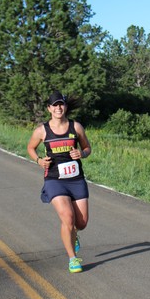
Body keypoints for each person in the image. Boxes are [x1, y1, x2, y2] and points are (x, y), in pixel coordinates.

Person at [27, 91, 91, 274]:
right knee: (67, 217)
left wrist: (82, 153)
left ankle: (74, 234)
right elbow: (30, 148)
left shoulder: (75, 127)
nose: (58, 108)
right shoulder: (42, 130)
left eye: (61, 104)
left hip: (76, 179)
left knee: (82, 223)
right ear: (49, 108)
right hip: (54, 179)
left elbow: (87, 147)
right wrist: (39, 160)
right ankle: (72, 259)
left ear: (65, 106)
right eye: (54, 105)